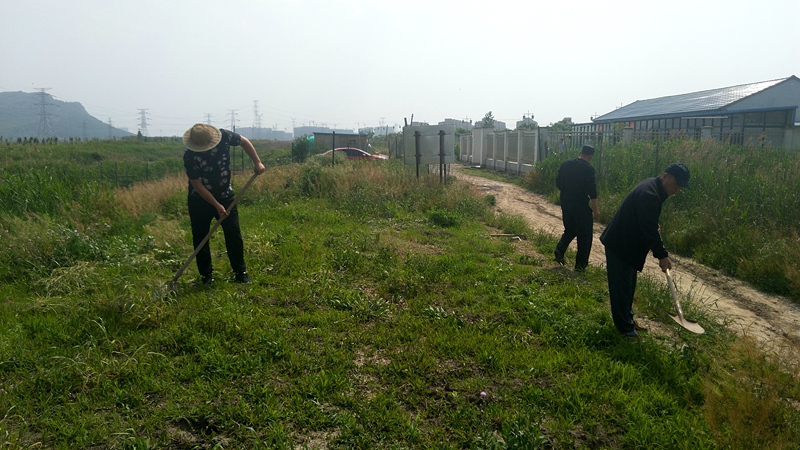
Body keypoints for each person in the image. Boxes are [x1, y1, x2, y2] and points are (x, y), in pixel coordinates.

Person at [599, 162, 691, 337]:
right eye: (676, 184)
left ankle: (628, 320)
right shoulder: (650, 193)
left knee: (628, 287)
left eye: (681, 186)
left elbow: (646, 219)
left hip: (629, 244)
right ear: (665, 176)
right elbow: (649, 229)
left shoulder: (654, 187)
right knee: (621, 289)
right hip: (620, 244)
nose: (678, 189)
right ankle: (626, 330)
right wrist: (662, 256)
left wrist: (652, 226)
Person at [183, 123, 266, 285]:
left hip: (226, 196)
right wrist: (216, 205)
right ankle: (206, 275)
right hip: (199, 200)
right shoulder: (190, 156)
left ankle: (240, 272)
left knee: (233, 233)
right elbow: (198, 186)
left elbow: (244, 142)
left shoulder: (225, 137)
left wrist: (257, 162)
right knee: (201, 236)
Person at [554, 144, 600, 272]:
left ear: (580, 152)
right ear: (590, 156)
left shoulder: (566, 164)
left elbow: (558, 182)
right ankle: (580, 266)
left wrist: (567, 192)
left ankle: (560, 249)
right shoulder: (588, 168)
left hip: (565, 202)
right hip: (580, 204)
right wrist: (596, 210)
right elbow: (592, 190)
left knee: (570, 229)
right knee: (585, 235)